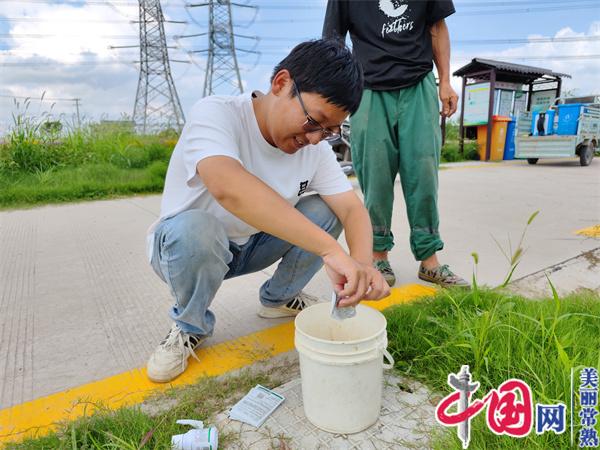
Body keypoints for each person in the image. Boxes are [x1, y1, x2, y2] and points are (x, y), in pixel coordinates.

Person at [145, 39, 391, 383]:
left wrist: (362, 266)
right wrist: (332, 251)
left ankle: (279, 298)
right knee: (196, 229)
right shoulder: (217, 113)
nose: (317, 138)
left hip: (253, 246)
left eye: (331, 131)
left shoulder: (315, 150)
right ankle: (190, 325)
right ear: (281, 84)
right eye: (314, 121)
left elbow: (351, 209)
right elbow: (226, 186)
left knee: (327, 209)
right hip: (187, 251)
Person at [323, 0, 469, 288]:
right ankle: (378, 256)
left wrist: (445, 82)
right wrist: (338, 92)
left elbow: (437, 26)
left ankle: (429, 261)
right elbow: (333, 39)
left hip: (418, 82)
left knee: (424, 173)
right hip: (367, 88)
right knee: (374, 176)